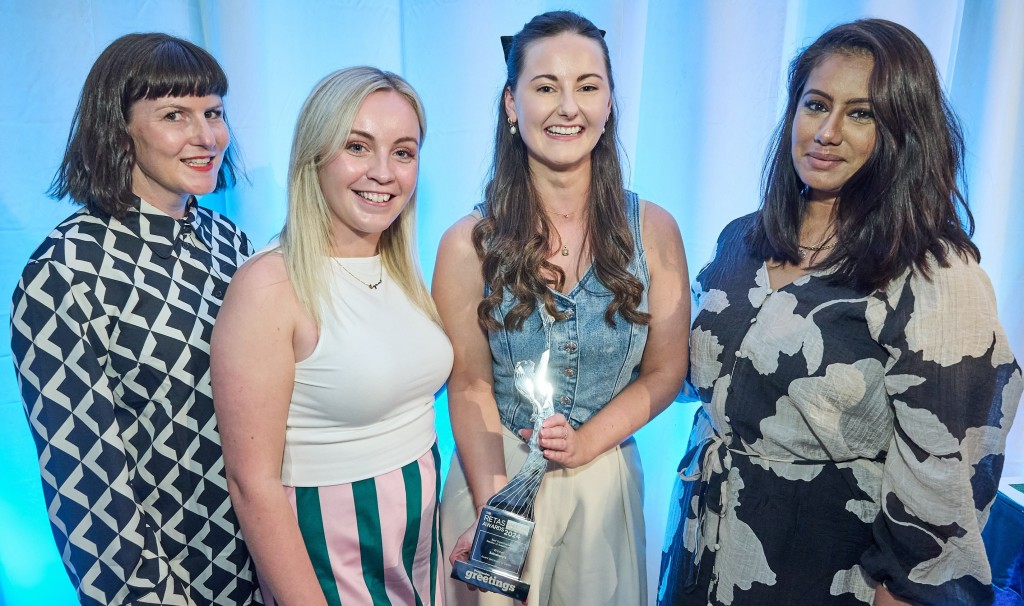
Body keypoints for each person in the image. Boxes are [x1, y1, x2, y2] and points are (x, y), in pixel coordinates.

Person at [657, 18, 1022, 606]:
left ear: (906, 130)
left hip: (830, 574)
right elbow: (689, 373)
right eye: (815, 104)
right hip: (702, 553)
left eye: (860, 113)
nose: (827, 132)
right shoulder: (743, 239)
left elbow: (947, 481)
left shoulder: (935, 274)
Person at [434, 10, 689, 606]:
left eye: (587, 86)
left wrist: (587, 442)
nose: (567, 106)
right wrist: (498, 513)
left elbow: (666, 370)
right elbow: (468, 383)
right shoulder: (466, 243)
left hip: (603, 486)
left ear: (608, 105)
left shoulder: (652, 229)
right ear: (510, 103)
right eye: (545, 86)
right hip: (491, 477)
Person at [9, 33, 260, 605]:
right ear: (118, 127)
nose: (206, 137)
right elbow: (88, 496)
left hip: (270, 573)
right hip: (167, 588)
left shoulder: (231, 243)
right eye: (175, 114)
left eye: (214, 113)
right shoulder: (65, 270)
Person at [210, 66, 452, 606]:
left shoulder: (399, 266)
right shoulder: (269, 285)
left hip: (419, 558)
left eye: (404, 152)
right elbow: (253, 486)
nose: (384, 172)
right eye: (358, 147)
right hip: (333, 559)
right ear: (314, 156)